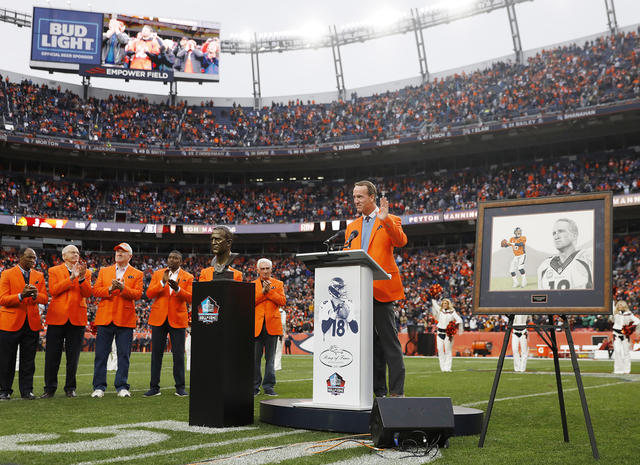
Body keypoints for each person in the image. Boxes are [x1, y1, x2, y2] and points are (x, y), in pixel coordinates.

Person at [344, 180, 407, 397]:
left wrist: (386, 219)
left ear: (372, 197)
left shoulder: (390, 219)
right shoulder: (351, 228)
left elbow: (400, 241)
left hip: (382, 291)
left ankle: (397, 392)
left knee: (390, 343)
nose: (356, 201)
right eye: (354, 197)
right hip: (359, 295)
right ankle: (377, 391)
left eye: (360, 197)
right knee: (370, 346)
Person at [91, 243, 143, 398]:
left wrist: (122, 288)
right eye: (117, 251)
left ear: (130, 256)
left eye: (123, 251)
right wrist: (110, 289)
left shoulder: (137, 273)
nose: (119, 253)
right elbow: (95, 291)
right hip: (105, 318)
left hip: (125, 319)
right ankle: (99, 387)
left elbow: (138, 294)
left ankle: (122, 386)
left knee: (124, 355)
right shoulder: (104, 271)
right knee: (101, 354)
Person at [41, 245, 92, 399]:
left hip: (77, 318)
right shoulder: (54, 270)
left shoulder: (86, 272)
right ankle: (49, 388)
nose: (76, 254)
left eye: (77, 252)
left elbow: (88, 293)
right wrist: (71, 278)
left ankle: (70, 388)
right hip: (57, 317)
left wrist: (81, 278)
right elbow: (54, 290)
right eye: (72, 252)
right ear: (64, 256)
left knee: (73, 356)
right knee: (52, 356)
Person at [0, 248, 48, 401]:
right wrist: (21, 295)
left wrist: (34, 295)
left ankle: (27, 391)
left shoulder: (39, 275)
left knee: (28, 360)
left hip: (31, 323)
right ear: (20, 257)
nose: (33, 261)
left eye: (34, 258)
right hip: (10, 323)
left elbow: (44, 298)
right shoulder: (7, 273)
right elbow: (2, 299)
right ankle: (5, 390)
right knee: (7, 359)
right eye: (29, 258)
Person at [144, 251, 193, 397]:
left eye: (176, 258)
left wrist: (178, 289)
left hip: (177, 318)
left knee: (178, 354)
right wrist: (162, 283)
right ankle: (154, 387)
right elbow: (149, 294)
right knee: (156, 354)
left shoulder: (188, 276)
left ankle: (180, 387)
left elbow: (191, 297)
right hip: (159, 317)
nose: (172, 260)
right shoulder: (158, 274)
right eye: (170, 257)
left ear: (181, 261)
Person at [253, 258, 286, 396]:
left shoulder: (278, 284)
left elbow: (283, 301)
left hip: (272, 325)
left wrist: (270, 292)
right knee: (255, 359)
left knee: (270, 359)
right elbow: (250, 301)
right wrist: (264, 293)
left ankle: (268, 386)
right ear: (258, 270)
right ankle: (254, 387)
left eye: (268, 268)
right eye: (263, 268)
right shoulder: (252, 285)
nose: (265, 271)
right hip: (256, 326)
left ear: (271, 269)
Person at [537, 218, 593, 290]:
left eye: (561, 231)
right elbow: (541, 298)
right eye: (554, 233)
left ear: (574, 236)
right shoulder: (544, 266)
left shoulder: (587, 258)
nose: (556, 237)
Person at [431, 298, 462, 372]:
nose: (444, 304)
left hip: (448, 334)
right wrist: (433, 296)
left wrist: (453, 326)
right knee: (440, 350)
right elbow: (434, 304)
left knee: (448, 351)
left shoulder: (452, 312)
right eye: (443, 303)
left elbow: (459, 320)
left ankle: (448, 368)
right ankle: (442, 368)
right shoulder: (440, 310)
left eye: (446, 303)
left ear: (448, 304)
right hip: (439, 333)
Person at [612, 300, 640, 374]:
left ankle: (627, 370)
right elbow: (611, 306)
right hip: (616, 335)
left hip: (625, 336)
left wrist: (631, 327)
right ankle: (618, 370)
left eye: (620, 305)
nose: (619, 306)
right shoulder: (615, 313)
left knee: (626, 352)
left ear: (624, 306)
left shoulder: (629, 314)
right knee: (617, 351)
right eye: (618, 305)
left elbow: (637, 321)